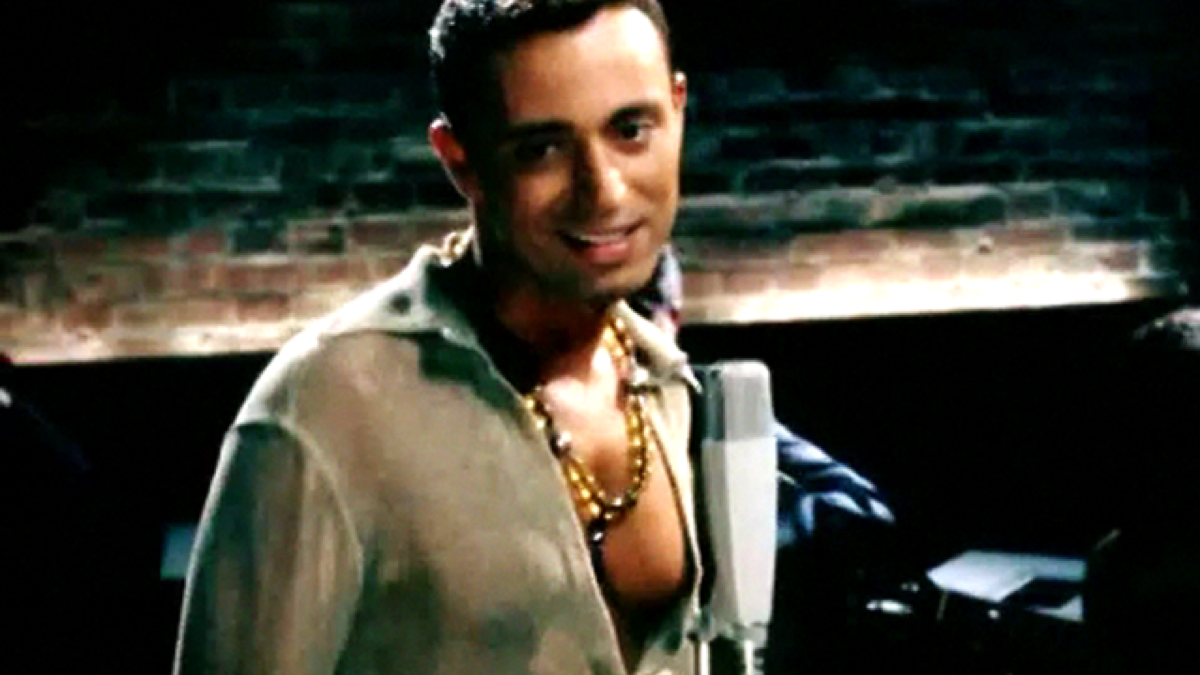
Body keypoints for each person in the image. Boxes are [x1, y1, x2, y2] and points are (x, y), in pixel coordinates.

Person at [172, 2, 701, 675]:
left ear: (677, 110)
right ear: (461, 162)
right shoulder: (329, 403)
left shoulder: (666, 384)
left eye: (630, 130)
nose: (604, 191)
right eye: (541, 149)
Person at [628, 248, 900, 675]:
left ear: (672, 321)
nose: (630, 345)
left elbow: (865, 511)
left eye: (640, 317)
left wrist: (752, 526)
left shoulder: (716, 404)